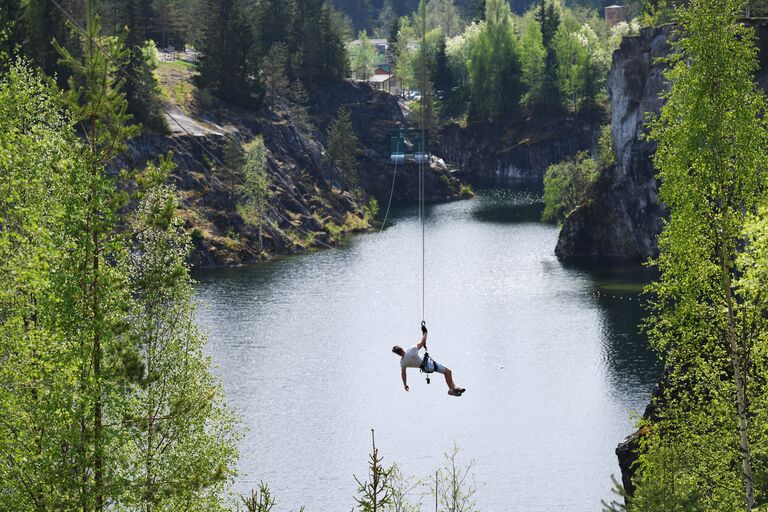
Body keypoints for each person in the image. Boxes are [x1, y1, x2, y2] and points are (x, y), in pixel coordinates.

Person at [392, 322, 465, 396]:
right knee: (448, 372)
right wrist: (425, 332)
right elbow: (422, 342)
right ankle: (451, 389)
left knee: (447, 372)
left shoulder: (402, 362)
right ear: (401, 348)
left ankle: (455, 388)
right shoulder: (411, 351)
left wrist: (405, 384)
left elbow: (403, 374)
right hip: (429, 364)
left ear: (397, 354)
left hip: (426, 367)